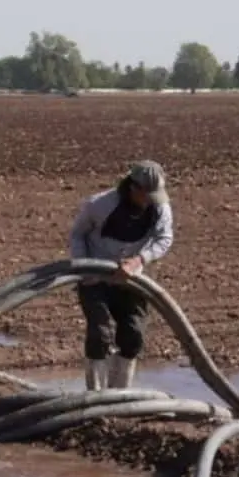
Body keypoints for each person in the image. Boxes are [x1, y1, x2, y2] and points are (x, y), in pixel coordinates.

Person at [68, 160, 174, 391]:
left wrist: (139, 260)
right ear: (133, 188)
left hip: (131, 278)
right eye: (146, 194)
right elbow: (77, 235)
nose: (150, 201)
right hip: (95, 277)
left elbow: (164, 238)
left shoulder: (160, 208)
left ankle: (119, 396)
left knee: (133, 334)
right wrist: (84, 268)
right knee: (100, 333)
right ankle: (95, 395)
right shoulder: (99, 205)